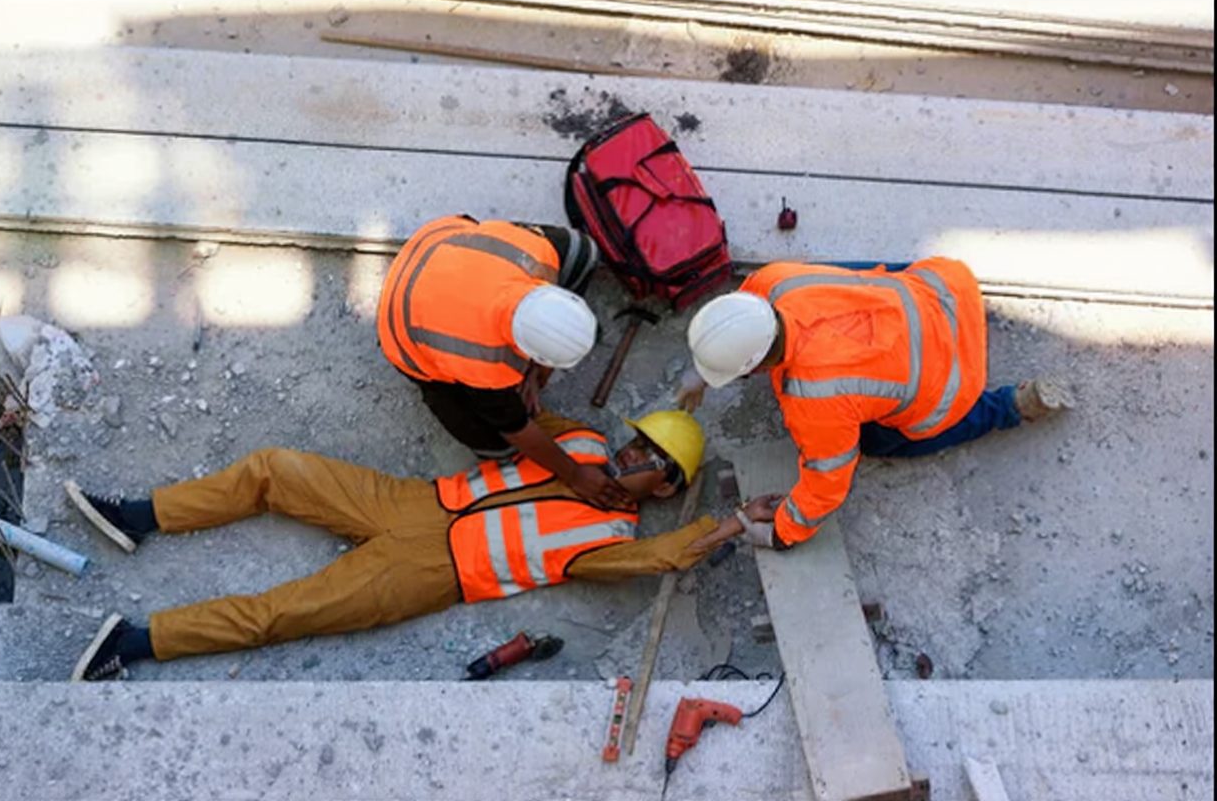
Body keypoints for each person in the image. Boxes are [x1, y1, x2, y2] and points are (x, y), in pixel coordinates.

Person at [65, 410, 774, 681]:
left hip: (431, 571)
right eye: (637, 440)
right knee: (275, 469)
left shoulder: (612, 536)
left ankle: (132, 644)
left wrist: (734, 523)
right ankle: (136, 516)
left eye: (651, 460)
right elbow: (514, 412)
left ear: (661, 488)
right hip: (416, 499)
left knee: (279, 613)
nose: (631, 455)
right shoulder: (583, 441)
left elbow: (659, 558)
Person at [678, 257, 1073, 550]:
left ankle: (1010, 406)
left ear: (758, 365)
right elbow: (744, 306)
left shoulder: (815, 398)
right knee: (847, 276)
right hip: (947, 291)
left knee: (877, 441)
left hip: (955, 377)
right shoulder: (775, 281)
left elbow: (827, 481)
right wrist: (706, 367)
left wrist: (783, 531)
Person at [377, 214, 630, 509]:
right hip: (402, 326)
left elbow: (582, 250)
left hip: (436, 244)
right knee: (496, 448)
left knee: (581, 254)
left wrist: (536, 374)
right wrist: (573, 474)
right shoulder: (481, 363)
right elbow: (516, 427)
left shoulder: (539, 255)